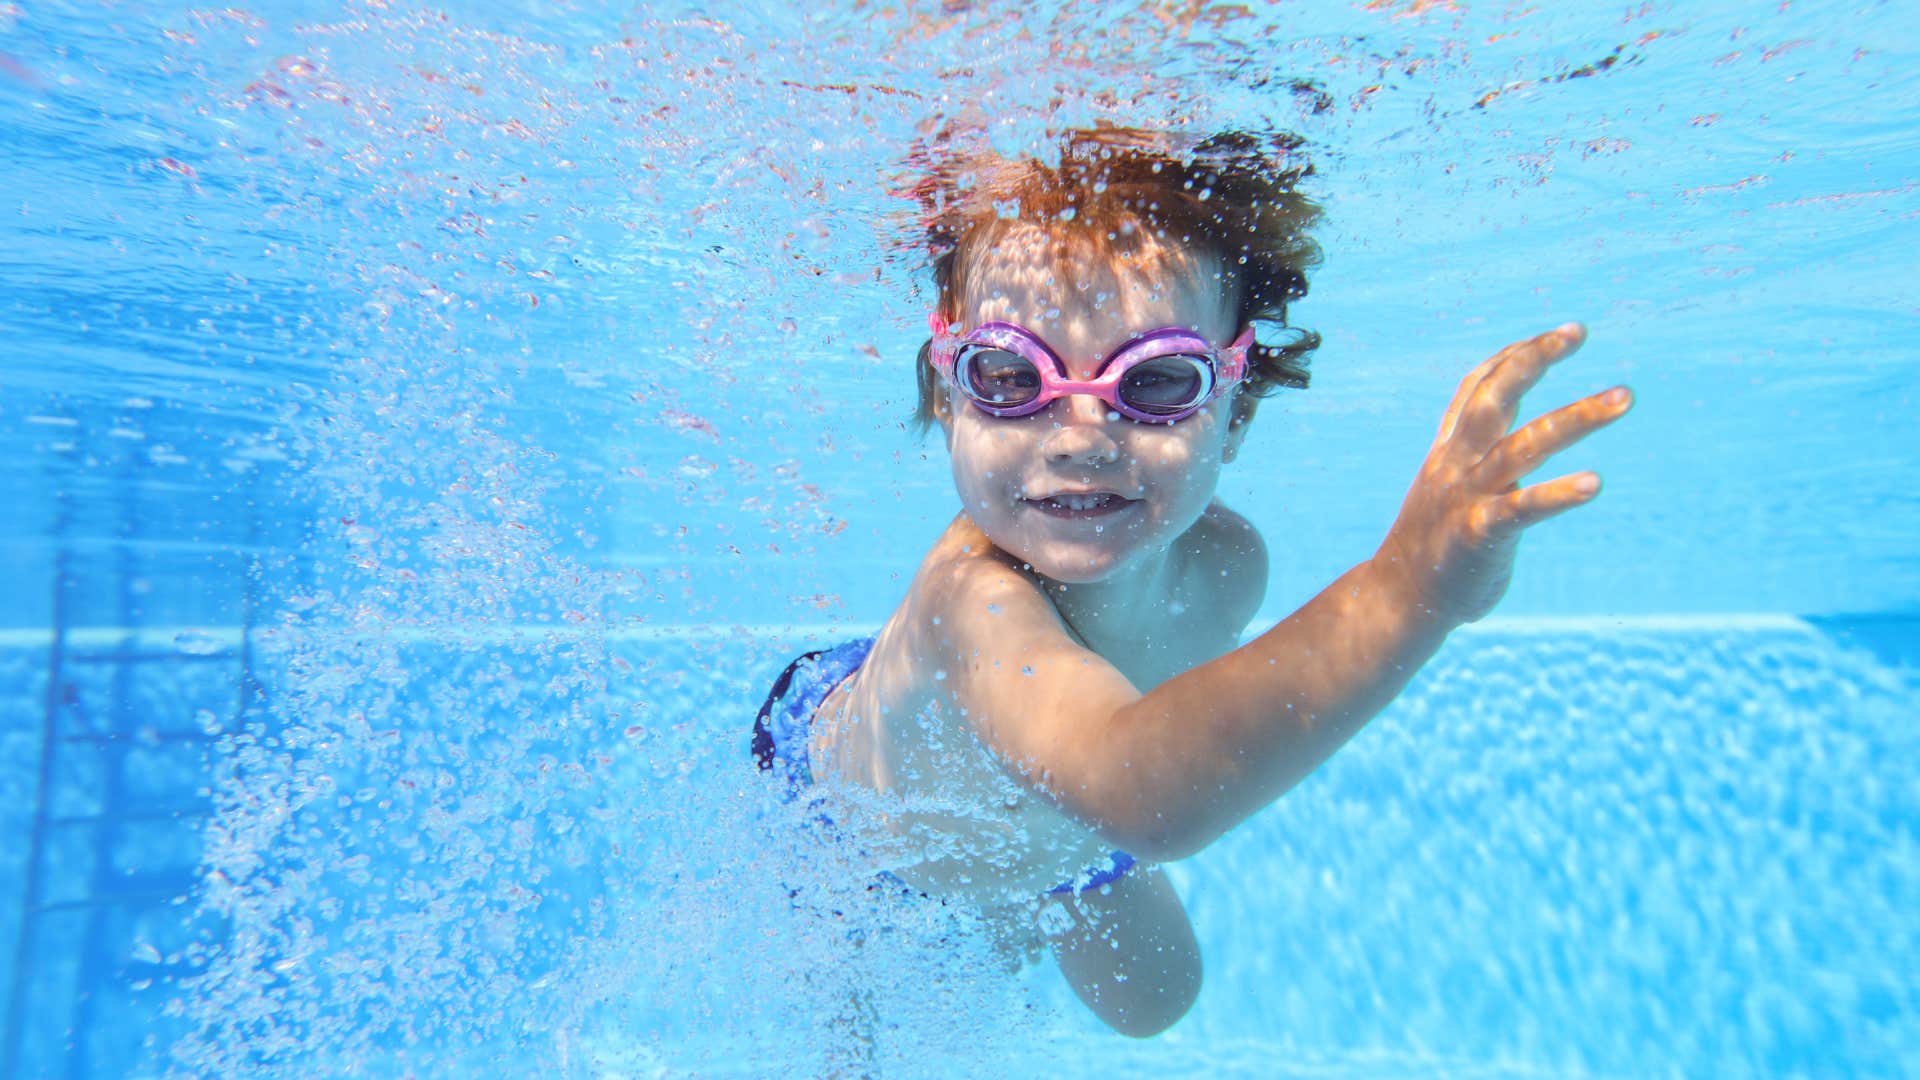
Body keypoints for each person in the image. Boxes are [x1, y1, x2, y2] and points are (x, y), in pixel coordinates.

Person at [751, 125, 1632, 1037]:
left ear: (1235, 415)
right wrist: (1408, 595)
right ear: (947, 401)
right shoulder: (972, 600)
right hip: (851, 817)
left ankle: (1019, 875)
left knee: (1157, 1001)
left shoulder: (1225, 565)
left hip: (1061, 816)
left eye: (1160, 382)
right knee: (850, 1034)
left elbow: (1154, 745)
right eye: (1011, 377)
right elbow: (1137, 788)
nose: (1081, 437)